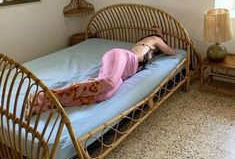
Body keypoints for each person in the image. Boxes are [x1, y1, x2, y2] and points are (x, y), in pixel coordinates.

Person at [28, 30, 176, 115]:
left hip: (123, 75)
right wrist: (159, 36)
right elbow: (171, 51)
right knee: (108, 82)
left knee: (104, 95)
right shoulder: (153, 39)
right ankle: (43, 95)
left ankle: (49, 102)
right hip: (120, 56)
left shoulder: (150, 46)